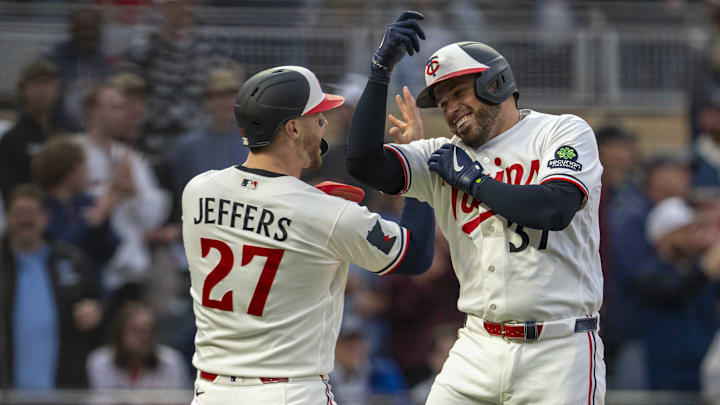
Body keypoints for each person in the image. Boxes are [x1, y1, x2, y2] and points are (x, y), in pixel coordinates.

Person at [346, 11, 605, 404]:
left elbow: (553, 207)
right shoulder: (443, 156)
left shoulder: (561, 131)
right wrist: (380, 70)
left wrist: (476, 182)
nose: (450, 109)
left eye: (458, 92)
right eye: (443, 101)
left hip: (558, 347)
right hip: (476, 344)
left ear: (495, 83)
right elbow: (363, 161)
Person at [182, 65, 435, 405]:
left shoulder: (198, 189)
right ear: (292, 128)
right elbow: (416, 254)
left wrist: (311, 200)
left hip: (211, 391)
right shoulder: (326, 213)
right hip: (289, 391)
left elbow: (258, 209)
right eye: (317, 116)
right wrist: (416, 164)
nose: (324, 124)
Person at [0, 184, 102, 389]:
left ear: (45, 217)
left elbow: (96, 302)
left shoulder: (71, 259)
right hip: (7, 391)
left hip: (62, 387)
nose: (25, 220)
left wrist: (94, 311)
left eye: (31, 213)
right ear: (8, 218)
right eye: (18, 213)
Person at [86, 301, 188, 389]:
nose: (144, 337)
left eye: (149, 331)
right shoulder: (100, 360)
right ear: (120, 333)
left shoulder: (171, 361)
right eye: (137, 331)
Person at [0, 59, 63, 198]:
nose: (43, 90)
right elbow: (9, 191)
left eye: (48, 83)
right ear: (23, 89)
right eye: (36, 83)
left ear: (57, 89)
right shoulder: (12, 139)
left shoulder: (61, 137)